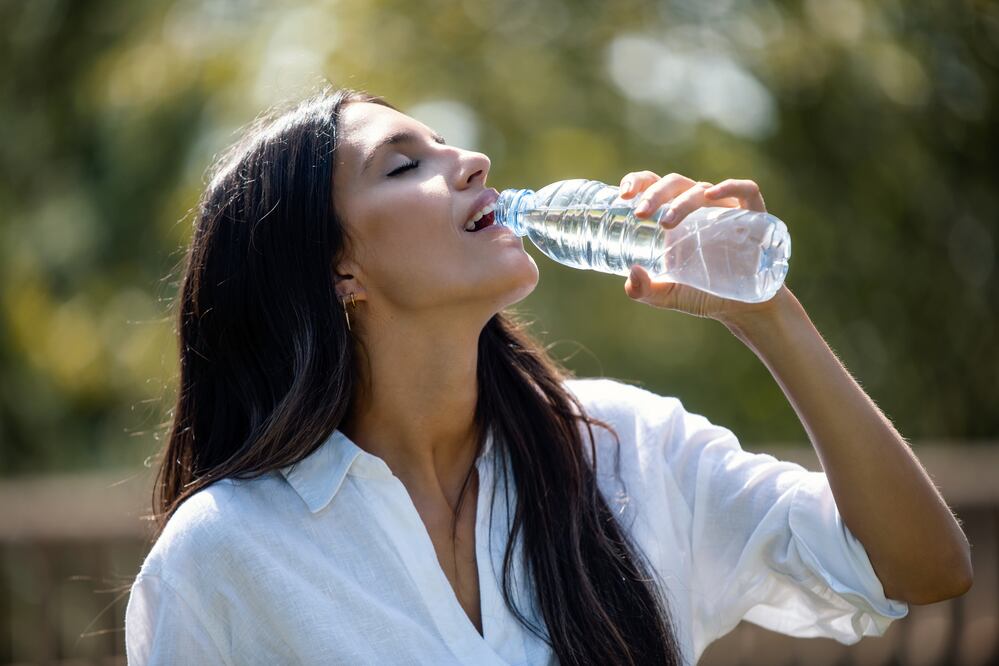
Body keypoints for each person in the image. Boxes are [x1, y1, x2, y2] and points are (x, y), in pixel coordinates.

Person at [124, 87, 972, 665]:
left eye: (444, 143)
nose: (473, 160)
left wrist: (770, 317)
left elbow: (922, 568)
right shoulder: (225, 558)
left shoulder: (625, 448)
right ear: (337, 269)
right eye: (402, 164)